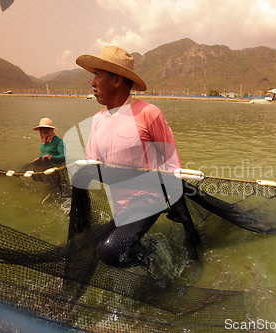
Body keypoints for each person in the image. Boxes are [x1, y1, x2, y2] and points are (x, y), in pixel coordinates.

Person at [74, 45, 198, 267]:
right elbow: (93, 164)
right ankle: (146, 253)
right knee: (92, 245)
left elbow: (171, 163)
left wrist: (177, 204)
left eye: (98, 76)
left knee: (110, 251)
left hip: (149, 198)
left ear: (117, 80)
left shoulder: (148, 113)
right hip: (120, 204)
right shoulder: (98, 120)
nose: (93, 83)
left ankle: (156, 260)